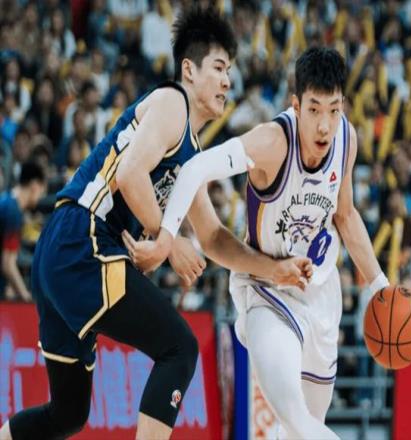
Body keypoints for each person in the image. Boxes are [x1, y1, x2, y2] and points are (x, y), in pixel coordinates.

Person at [0, 7, 311, 440]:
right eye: (218, 67)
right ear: (189, 70)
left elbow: (213, 238)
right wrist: (169, 240)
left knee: (67, 414)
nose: (227, 80)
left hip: (61, 255)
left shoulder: (193, 153)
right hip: (82, 237)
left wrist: (274, 269)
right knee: (179, 347)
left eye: (229, 71)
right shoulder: (172, 103)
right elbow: (130, 174)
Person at [125, 47, 391, 439]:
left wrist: (380, 285)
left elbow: (346, 215)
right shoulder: (272, 142)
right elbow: (195, 168)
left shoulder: (346, 139)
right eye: (314, 110)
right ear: (296, 105)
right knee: (297, 419)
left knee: (304, 430)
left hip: (320, 295)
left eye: (334, 110)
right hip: (266, 291)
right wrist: (167, 238)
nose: (324, 125)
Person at [0, 161, 46, 302]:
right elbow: (7, 264)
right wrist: (25, 296)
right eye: (42, 191)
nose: (41, 197)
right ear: (35, 186)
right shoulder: (13, 211)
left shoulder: (6, 201)